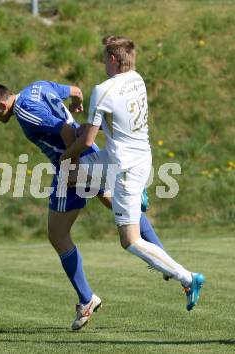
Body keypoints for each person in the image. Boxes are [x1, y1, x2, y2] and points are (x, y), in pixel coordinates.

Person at [0, 79, 169, 329]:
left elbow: (66, 132)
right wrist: (77, 104)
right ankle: (162, 258)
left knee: (58, 236)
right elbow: (76, 92)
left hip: (72, 164)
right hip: (87, 156)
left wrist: (73, 167)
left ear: (3, 105)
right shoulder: (39, 86)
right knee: (122, 209)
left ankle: (87, 298)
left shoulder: (24, 110)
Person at [60, 35, 204, 312]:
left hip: (123, 167)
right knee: (72, 176)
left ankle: (189, 278)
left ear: (113, 59)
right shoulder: (137, 79)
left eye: (104, 57)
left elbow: (88, 141)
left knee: (129, 240)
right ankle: (137, 194)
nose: (102, 62)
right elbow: (114, 121)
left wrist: (67, 153)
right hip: (133, 157)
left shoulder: (103, 90)